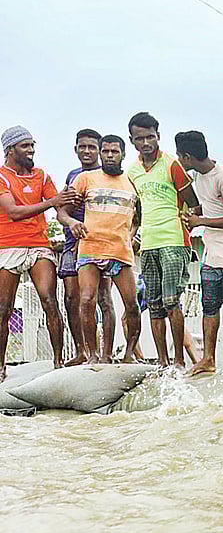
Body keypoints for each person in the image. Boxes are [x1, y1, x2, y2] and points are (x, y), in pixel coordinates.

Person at [0, 126, 78, 380]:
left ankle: (59, 362)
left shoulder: (42, 176)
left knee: (49, 300)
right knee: (4, 309)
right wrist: (52, 203)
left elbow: (60, 207)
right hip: (8, 246)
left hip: (38, 244)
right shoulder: (1, 176)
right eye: (25, 146)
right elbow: (13, 212)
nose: (31, 150)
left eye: (33, 145)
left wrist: (71, 220)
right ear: (10, 150)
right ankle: (1, 367)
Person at [126, 111, 200, 369]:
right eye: (140, 138)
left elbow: (195, 205)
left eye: (150, 137)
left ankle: (179, 361)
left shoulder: (172, 164)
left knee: (172, 301)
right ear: (132, 140)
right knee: (155, 305)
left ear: (158, 136)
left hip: (174, 241)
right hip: (147, 244)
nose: (146, 143)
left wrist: (185, 227)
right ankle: (163, 363)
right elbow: (137, 209)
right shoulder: (132, 172)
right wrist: (133, 234)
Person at [175, 131, 223, 376]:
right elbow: (203, 205)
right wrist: (193, 214)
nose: (178, 160)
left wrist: (200, 221)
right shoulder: (197, 176)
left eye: (179, 156)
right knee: (209, 307)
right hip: (211, 254)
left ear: (187, 156)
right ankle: (208, 358)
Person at [68, 134, 142, 364]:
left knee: (130, 304)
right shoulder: (86, 178)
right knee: (87, 300)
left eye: (115, 151)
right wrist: (72, 224)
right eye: (106, 151)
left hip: (119, 251)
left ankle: (127, 353)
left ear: (123, 154)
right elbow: (63, 210)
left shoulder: (132, 181)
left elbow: (139, 216)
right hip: (90, 248)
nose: (110, 155)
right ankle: (93, 355)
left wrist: (132, 235)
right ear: (101, 153)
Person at [58, 128, 117, 365]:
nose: (87, 151)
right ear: (75, 149)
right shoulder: (73, 176)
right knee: (72, 298)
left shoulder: (107, 175)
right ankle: (82, 350)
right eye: (82, 147)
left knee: (102, 297)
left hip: (98, 244)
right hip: (72, 242)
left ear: (100, 151)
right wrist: (71, 227)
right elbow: (63, 208)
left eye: (92, 147)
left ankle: (106, 353)